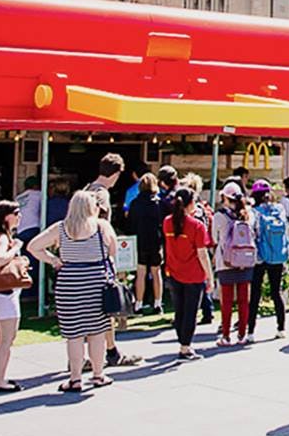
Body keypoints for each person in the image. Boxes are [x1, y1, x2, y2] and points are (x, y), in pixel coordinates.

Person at [28, 191, 116, 392]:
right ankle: (98, 374)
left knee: (74, 333)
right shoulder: (102, 226)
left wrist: (54, 260)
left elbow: (33, 246)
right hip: (96, 281)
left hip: (69, 282)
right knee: (97, 331)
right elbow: (112, 252)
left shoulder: (61, 228)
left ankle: (75, 378)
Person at [84, 153, 140, 367]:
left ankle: (106, 351)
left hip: (83, 254)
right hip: (98, 255)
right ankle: (104, 352)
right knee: (106, 305)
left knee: (93, 307)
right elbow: (101, 227)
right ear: (116, 173)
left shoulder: (87, 189)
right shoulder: (102, 194)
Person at [0, 199, 30, 393]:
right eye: (16, 213)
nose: (19, 217)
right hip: (5, 296)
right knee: (7, 339)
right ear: (6, 217)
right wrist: (16, 248)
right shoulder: (3, 237)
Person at [163, 187, 213, 360]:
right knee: (191, 311)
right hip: (193, 273)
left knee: (179, 309)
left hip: (174, 270)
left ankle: (182, 342)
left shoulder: (167, 222)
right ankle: (185, 346)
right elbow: (202, 254)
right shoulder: (197, 226)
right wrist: (210, 276)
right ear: (191, 203)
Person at [211, 182, 254, 346]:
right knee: (244, 300)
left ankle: (226, 335)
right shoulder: (247, 214)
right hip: (245, 260)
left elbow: (215, 238)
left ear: (225, 197)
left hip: (226, 261)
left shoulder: (220, 216)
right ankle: (243, 334)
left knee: (226, 300)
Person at [248, 180, 288, 342]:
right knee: (276, 291)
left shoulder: (254, 212)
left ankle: (251, 331)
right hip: (277, 254)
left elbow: (252, 232)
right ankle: (281, 328)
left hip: (259, 255)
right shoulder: (279, 209)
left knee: (255, 293)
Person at [127, 173, 164, 314]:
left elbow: (130, 224)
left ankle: (139, 304)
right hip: (155, 241)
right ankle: (158, 303)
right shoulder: (159, 203)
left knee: (141, 272)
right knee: (156, 272)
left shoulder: (135, 203)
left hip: (140, 241)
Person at [182, 173, 215, 324]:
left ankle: (194, 312)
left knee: (193, 281)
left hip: (192, 246)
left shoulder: (192, 210)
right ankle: (208, 310)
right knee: (203, 278)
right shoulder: (204, 207)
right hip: (205, 245)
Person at [15, 175, 43, 276]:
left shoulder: (18, 198)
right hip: (34, 229)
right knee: (35, 260)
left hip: (20, 231)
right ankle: (35, 287)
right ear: (36, 185)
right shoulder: (39, 194)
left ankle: (25, 285)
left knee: (23, 261)